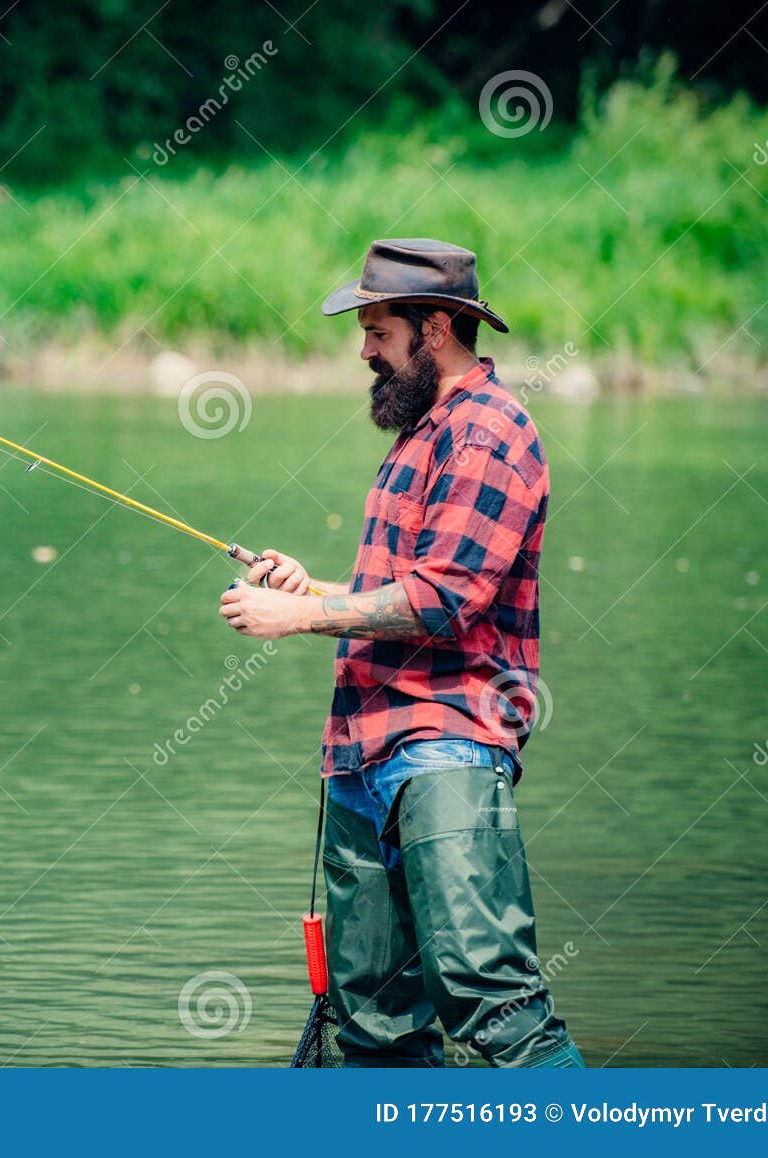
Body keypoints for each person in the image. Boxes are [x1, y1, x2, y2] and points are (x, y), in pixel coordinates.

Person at [218, 238, 584, 1068]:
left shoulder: (490, 433)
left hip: (446, 749)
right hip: (358, 756)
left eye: (380, 332)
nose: (364, 350)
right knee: (374, 1025)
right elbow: (403, 590)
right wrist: (315, 592)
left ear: (440, 328)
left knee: (496, 1006)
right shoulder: (423, 433)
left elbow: (448, 598)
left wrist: (300, 620)